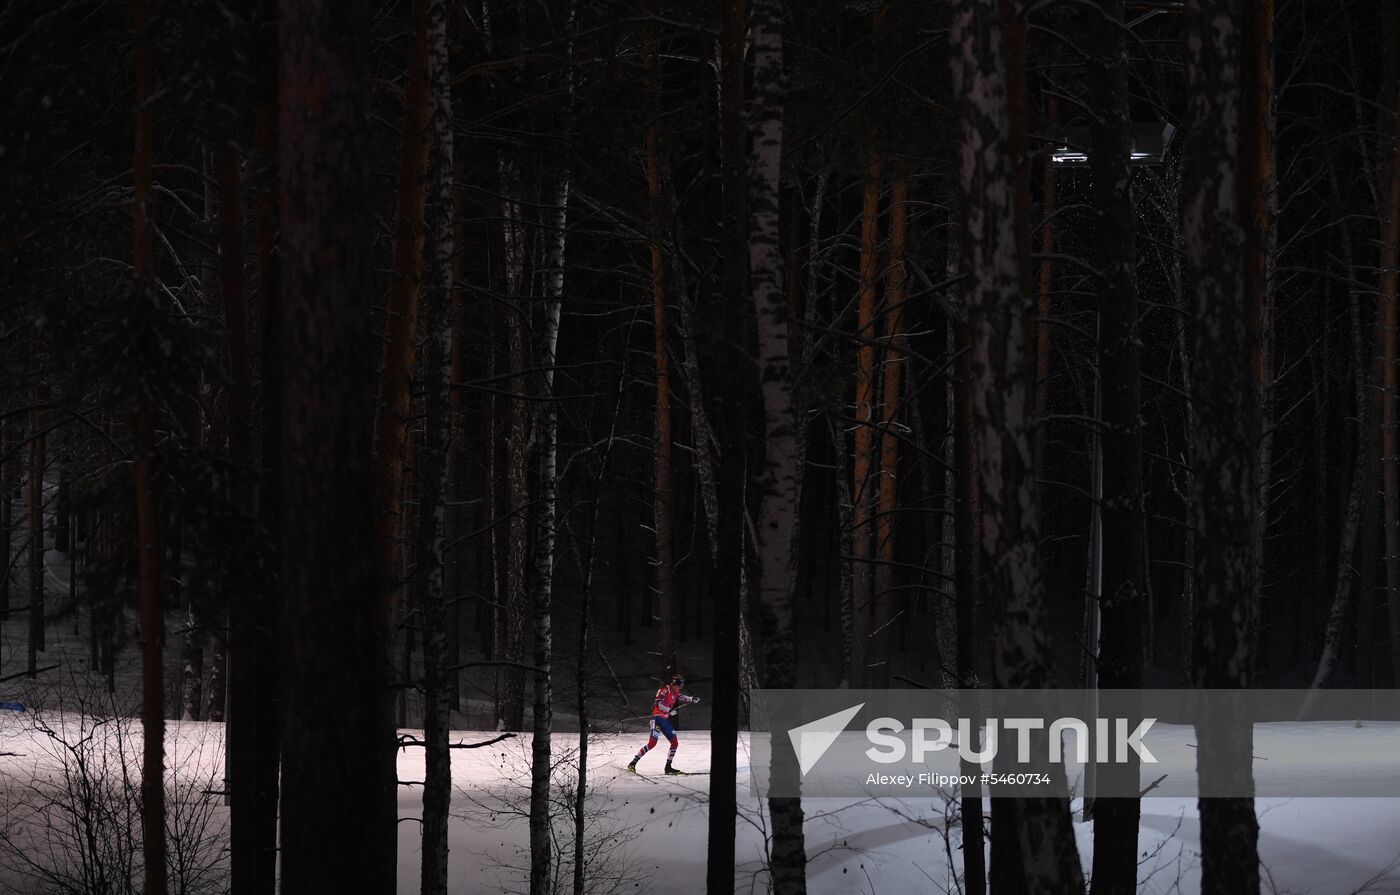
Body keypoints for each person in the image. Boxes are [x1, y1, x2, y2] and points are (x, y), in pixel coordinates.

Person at [627, 673, 700, 775]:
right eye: (680, 685)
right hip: (656, 720)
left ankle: (668, 767)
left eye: (681, 686)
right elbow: (658, 704)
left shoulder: (675, 692)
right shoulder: (664, 690)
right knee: (652, 743)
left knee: (675, 743)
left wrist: (691, 699)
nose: (680, 688)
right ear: (675, 684)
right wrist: (669, 710)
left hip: (665, 721)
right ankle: (632, 763)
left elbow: (682, 697)